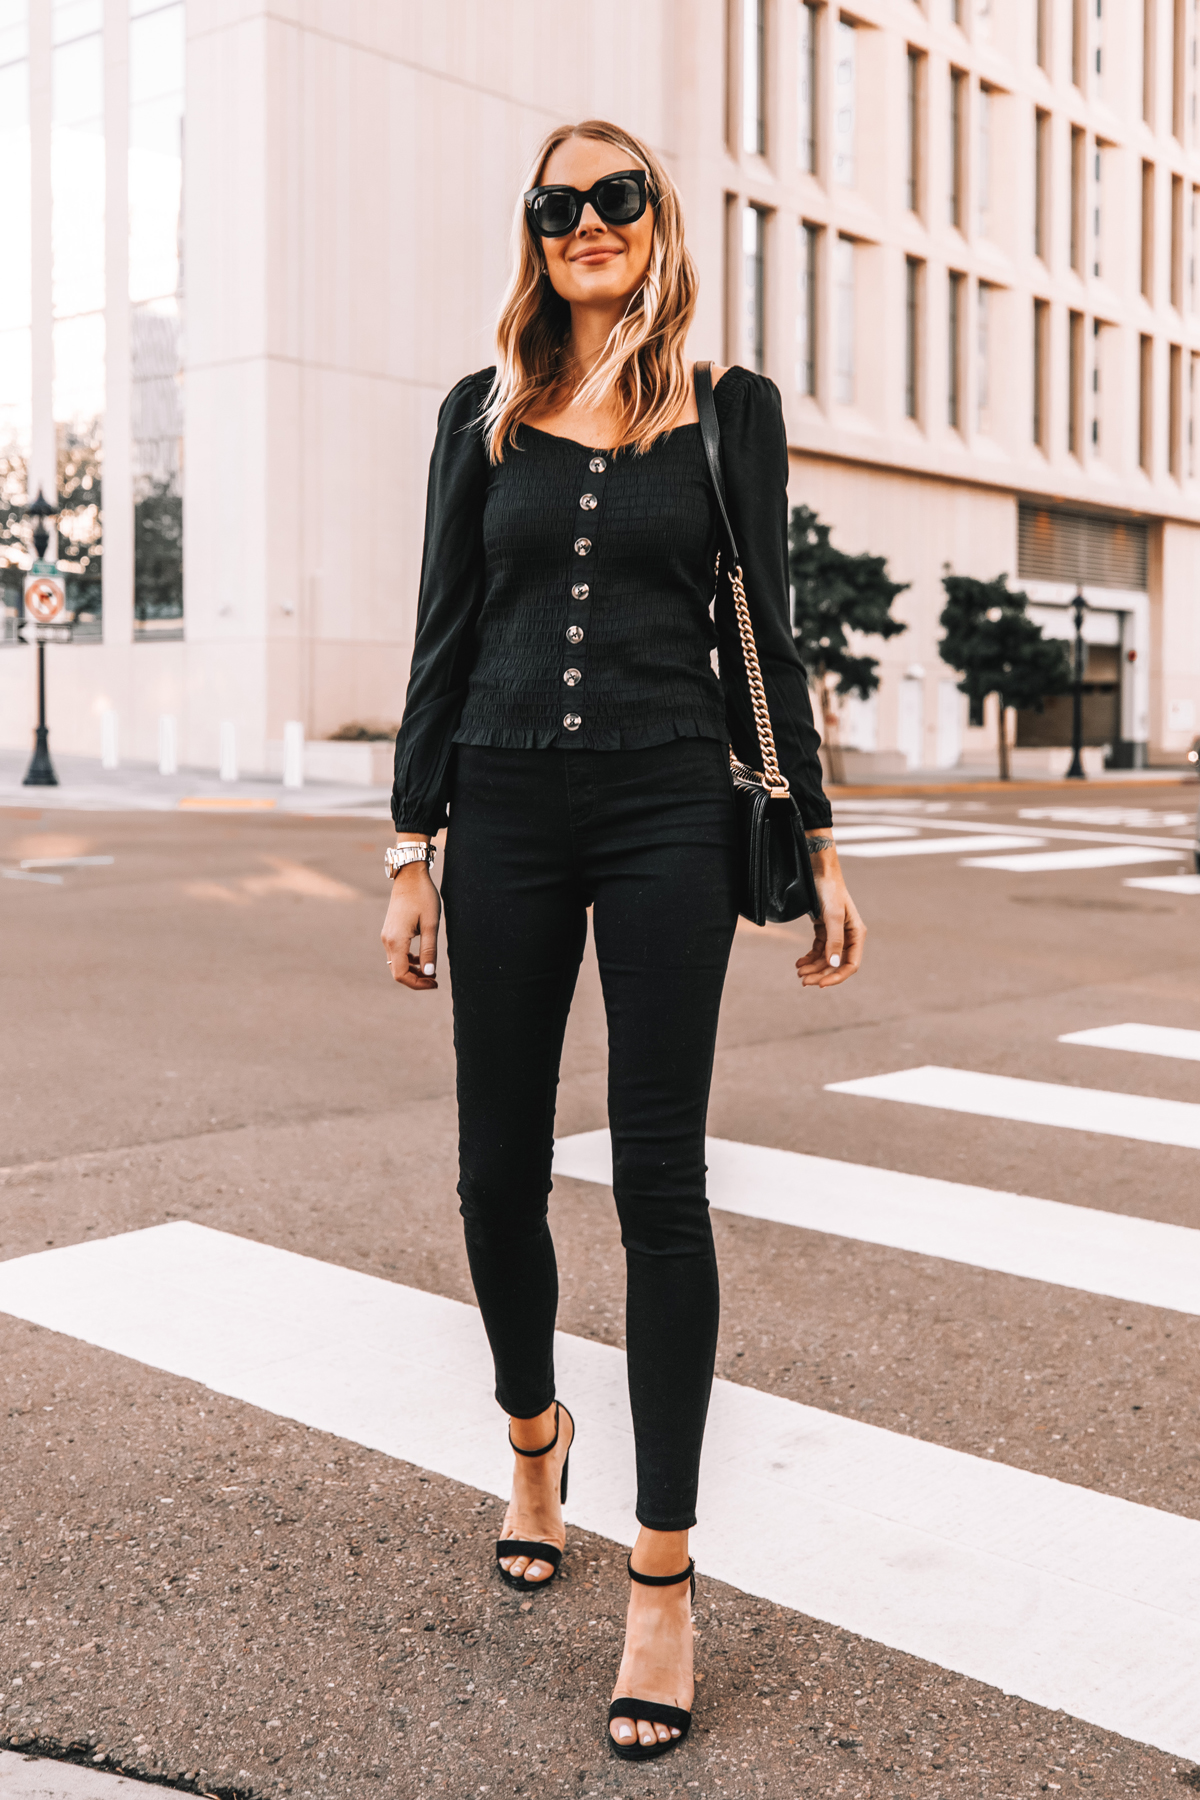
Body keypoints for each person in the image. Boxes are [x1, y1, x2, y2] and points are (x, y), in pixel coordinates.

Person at [382, 118, 865, 1762]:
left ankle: (662, 1575)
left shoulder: (729, 413)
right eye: (556, 205)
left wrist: (817, 836)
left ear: (658, 220)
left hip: (669, 805)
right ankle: (535, 1435)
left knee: (662, 1181)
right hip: (505, 809)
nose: (586, 222)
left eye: (616, 196)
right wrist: (410, 844)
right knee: (492, 1172)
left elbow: (770, 639)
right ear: (532, 236)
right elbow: (445, 629)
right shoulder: (483, 409)